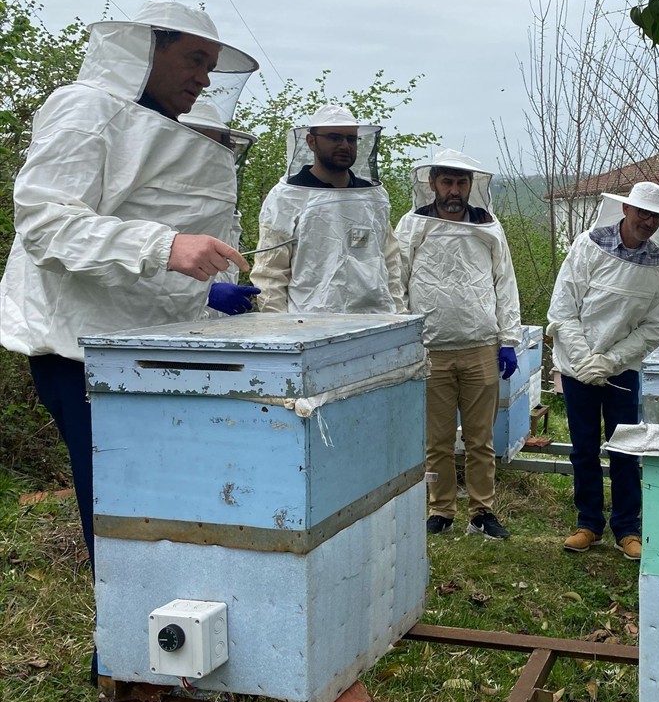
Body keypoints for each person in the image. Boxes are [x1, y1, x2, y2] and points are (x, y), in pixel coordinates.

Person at [0, 1, 257, 681]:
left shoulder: (151, 123)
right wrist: (167, 245)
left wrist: (205, 293)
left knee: (164, 502)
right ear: (144, 50)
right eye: (193, 59)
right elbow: (47, 225)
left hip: (143, 344)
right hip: (81, 351)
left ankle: (165, 642)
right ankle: (121, 653)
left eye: (211, 64)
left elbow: (143, 239)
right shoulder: (84, 107)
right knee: (121, 516)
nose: (204, 78)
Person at [548, 182, 659, 560]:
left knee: (626, 451)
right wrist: (585, 359)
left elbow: (653, 328)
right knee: (585, 449)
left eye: (656, 216)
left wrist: (610, 361)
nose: (649, 221)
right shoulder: (587, 247)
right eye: (643, 212)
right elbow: (563, 309)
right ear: (625, 210)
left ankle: (627, 529)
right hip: (578, 368)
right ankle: (588, 523)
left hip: (623, 371)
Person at [395, 149, 521, 540]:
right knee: (438, 440)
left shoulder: (489, 226)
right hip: (430, 350)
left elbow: (505, 283)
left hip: (481, 346)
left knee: (481, 439)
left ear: (471, 186)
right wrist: (402, 337)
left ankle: (482, 510)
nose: (454, 190)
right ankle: (441, 509)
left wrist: (509, 339)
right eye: (447, 182)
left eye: (461, 182)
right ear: (432, 184)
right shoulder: (413, 225)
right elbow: (396, 281)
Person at [250, 104, 405, 314]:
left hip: (375, 321)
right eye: (334, 137)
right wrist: (279, 329)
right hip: (310, 326)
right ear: (311, 141)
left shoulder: (373, 196)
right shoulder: (286, 197)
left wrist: (399, 317)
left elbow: (390, 261)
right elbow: (270, 272)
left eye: (351, 139)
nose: (344, 145)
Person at [182, 100, 261, 316]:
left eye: (215, 145)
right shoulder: (153, 199)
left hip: (208, 330)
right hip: (152, 332)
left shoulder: (221, 199)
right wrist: (206, 295)